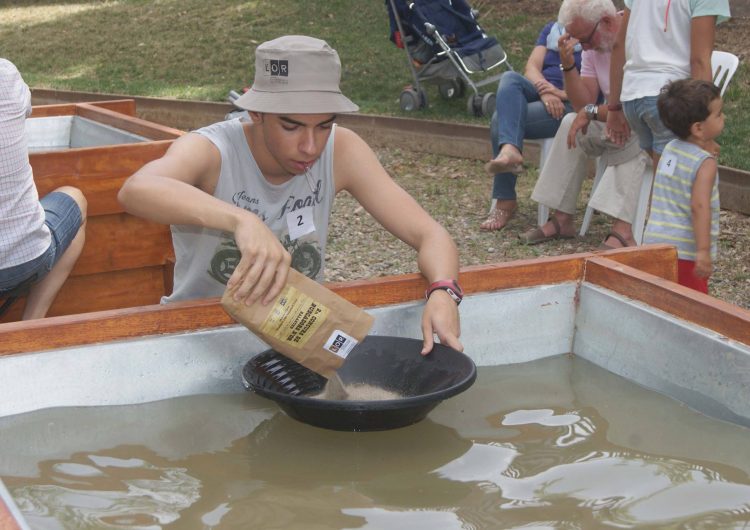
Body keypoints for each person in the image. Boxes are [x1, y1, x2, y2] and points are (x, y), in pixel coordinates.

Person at [118, 35, 462, 355]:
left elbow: (431, 234)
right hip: (197, 339)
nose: (310, 146)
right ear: (255, 113)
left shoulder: (342, 150)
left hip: (297, 337)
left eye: (324, 125)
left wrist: (443, 292)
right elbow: (137, 189)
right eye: (291, 126)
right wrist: (242, 221)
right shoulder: (212, 149)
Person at [521, 0, 649, 249]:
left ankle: (621, 229)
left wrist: (592, 111)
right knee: (571, 120)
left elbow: (633, 104)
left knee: (631, 127)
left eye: (585, 40)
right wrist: (568, 65)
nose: (584, 47)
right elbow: (584, 103)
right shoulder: (594, 45)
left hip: (643, 117)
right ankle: (562, 217)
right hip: (610, 116)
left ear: (608, 22)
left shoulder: (638, 32)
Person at [0, 59, 87, 320]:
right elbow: (25, 106)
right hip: (25, 263)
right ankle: (32, 324)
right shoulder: (5, 73)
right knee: (76, 199)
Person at [480, 20, 582, 231]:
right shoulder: (553, 28)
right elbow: (532, 67)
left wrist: (559, 94)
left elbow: (593, 86)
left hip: (570, 102)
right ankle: (510, 151)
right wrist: (544, 91)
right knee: (510, 78)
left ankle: (505, 198)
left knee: (501, 119)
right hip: (543, 93)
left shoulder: (593, 33)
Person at [605, 0, 731, 170]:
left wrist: (614, 107)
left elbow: (618, 45)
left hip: (632, 97)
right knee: (670, 188)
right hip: (670, 102)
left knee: (664, 182)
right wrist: (704, 130)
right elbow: (699, 61)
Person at [643, 79, 723, 293]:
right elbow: (699, 207)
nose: (723, 117)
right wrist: (703, 251)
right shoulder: (705, 164)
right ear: (698, 128)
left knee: (661, 301)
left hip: (654, 242)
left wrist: (706, 143)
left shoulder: (669, 149)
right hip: (685, 251)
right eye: (718, 114)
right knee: (692, 310)